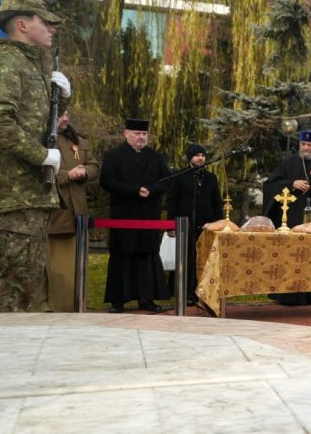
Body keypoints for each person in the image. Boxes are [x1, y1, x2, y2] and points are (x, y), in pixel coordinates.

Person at [0, 0, 70, 312]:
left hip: (29, 191)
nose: (51, 27)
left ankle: (10, 345)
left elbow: (34, 121)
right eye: (45, 21)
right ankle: (1, 349)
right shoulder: (7, 65)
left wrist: (61, 99)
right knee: (16, 281)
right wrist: (39, 154)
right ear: (23, 24)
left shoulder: (29, 66)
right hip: (14, 192)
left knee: (26, 278)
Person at [263, 129, 311, 305]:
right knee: (292, 258)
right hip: (292, 220)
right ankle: (290, 296)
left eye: (310, 144)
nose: (306, 148)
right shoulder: (289, 162)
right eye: (303, 144)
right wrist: (291, 184)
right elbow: (270, 185)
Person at [101, 118, 171, 313]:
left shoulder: (156, 157)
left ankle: (146, 299)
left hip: (148, 215)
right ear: (126, 134)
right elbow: (106, 181)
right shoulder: (114, 156)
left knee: (146, 256)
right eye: (137, 134)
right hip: (124, 214)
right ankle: (118, 300)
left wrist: (152, 190)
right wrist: (134, 191)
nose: (141, 137)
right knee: (122, 256)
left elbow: (166, 181)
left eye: (144, 134)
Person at [46, 111, 100, 312]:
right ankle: (54, 305)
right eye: (61, 115)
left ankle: (74, 304)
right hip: (56, 212)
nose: (66, 119)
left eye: (67, 114)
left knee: (75, 265)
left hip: (78, 212)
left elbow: (94, 164)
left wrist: (86, 171)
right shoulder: (43, 140)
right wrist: (66, 175)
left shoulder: (77, 141)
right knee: (57, 265)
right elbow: (37, 172)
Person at [163, 142, 224, 301]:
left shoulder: (211, 178)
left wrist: (220, 223)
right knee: (188, 257)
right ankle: (186, 292)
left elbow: (216, 202)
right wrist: (171, 224)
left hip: (206, 224)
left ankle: (202, 290)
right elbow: (172, 200)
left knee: (203, 257)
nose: (200, 158)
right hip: (185, 224)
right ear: (190, 157)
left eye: (203, 155)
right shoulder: (180, 176)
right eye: (197, 155)